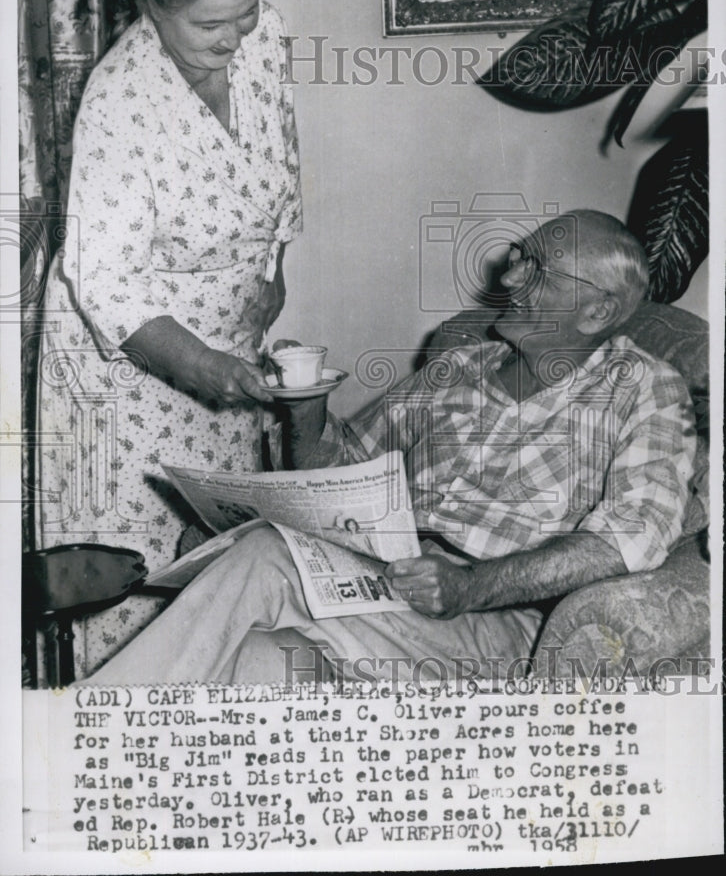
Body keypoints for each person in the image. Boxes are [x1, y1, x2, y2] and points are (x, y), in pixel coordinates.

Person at [86, 211, 696, 686]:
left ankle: (79, 744)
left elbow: (631, 538)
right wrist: (306, 408)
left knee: (269, 557)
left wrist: (471, 586)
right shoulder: (456, 368)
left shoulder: (644, 388)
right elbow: (334, 469)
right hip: (386, 587)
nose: (509, 278)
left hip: (495, 621)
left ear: (597, 311)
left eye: (538, 270)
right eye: (518, 257)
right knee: (256, 661)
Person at [36, 0, 302, 677]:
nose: (235, 38)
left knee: (214, 548)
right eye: (211, 23)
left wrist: (272, 274)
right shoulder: (121, 100)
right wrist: (201, 367)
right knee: (138, 560)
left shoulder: (267, 37)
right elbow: (104, 278)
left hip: (226, 342)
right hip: (129, 365)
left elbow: (281, 169)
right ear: (154, 6)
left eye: (245, 12)